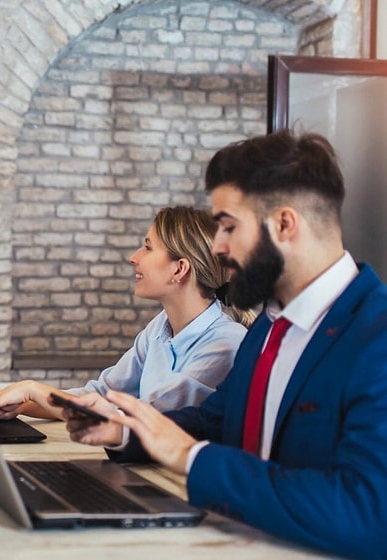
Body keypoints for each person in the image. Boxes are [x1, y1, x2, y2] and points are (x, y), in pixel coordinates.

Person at [65, 130, 387, 557]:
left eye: (228, 227)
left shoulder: (375, 336)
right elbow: (214, 422)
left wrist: (193, 458)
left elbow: (364, 514)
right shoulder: (268, 327)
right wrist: (128, 432)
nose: (217, 248)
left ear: (285, 224)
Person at [0, 206, 252, 421]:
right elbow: (100, 395)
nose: (133, 257)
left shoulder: (225, 344)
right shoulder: (160, 328)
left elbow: (140, 418)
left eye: (147, 247)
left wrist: (34, 389)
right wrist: (21, 404)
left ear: (179, 269)